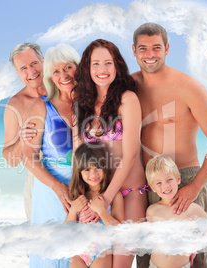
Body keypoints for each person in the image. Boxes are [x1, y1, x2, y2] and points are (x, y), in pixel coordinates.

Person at [131, 22, 207, 267]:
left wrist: (195, 186)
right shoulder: (129, 87)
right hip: (146, 183)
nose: (150, 55)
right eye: (143, 48)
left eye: (156, 48)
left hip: (185, 180)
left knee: (195, 259)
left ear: (167, 48)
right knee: (147, 258)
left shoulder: (188, 86)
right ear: (134, 51)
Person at [73, 39, 147, 267]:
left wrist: (105, 199)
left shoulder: (127, 99)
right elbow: (78, 155)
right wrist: (83, 198)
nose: (102, 70)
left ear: (117, 66)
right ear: (87, 68)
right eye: (96, 64)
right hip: (95, 196)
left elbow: (131, 155)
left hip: (129, 192)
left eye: (108, 63)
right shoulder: (80, 103)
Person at [22, 44, 81, 267]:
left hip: (90, 188)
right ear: (49, 76)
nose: (63, 75)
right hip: (51, 193)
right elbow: (29, 156)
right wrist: (58, 187)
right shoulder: (42, 106)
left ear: (78, 68)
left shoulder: (92, 103)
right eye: (55, 71)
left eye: (68, 67)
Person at [2, 42, 46, 222]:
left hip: (79, 175)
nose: (31, 71)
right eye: (23, 68)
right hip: (38, 182)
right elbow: (11, 160)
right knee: (42, 243)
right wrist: (22, 140)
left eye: (34, 63)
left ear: (43, 61)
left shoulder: (64, 89)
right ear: (18, 74)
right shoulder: (16, 105)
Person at [66, 143, 124, 268]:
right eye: (87, 169)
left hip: (102, 252)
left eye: (98, 167)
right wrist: (72, 212)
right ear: (79, 171)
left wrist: (102, 211)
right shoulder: (77, 196)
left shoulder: (114, 196)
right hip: (79, 253)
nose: (93, 174)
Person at [145, 155, 207, 268]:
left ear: (178, 179)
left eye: (169, 180)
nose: (165, 186)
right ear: (152, 187)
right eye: (158, 183)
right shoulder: (152, 210)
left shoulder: (191, 208)